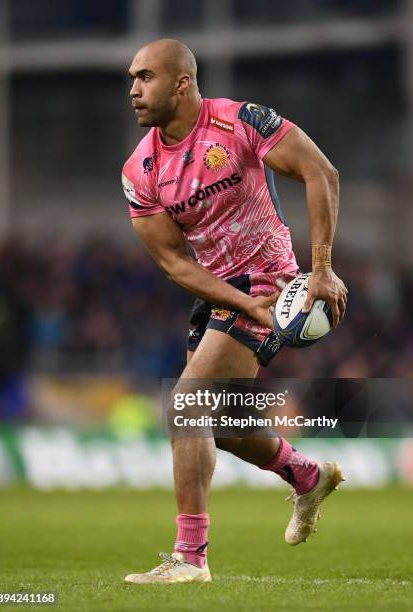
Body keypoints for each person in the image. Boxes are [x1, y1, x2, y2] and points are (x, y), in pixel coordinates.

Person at [121, 39, 347, 584]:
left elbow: (321, 172)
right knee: (216, 425)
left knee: (187, 408)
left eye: (145, 77)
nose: (133, 90)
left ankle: (189, 557)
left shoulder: (240, 122)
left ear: (182, 82)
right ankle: (307, 475)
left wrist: (319, 270)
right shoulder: (140, 169)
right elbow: (174, 263)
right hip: (225, 294)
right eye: (131, 78)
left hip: (271, 281)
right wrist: (241, 303)